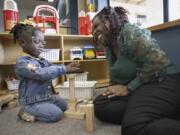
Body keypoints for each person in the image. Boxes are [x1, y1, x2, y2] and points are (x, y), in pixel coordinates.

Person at [92, 6, 180, 135]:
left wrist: (128, 88)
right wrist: (113, 89)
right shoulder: (110, 45)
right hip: (141, 85)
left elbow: (157, 61)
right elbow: (115, 76)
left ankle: (142, 115)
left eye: (96, 26)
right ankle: (154, 111)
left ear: (108, 21)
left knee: (134, 127)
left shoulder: (129, 32)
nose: (94, 31)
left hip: (161, 79)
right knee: (100, 104)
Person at [10, 23, 80, 123]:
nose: (41, 45)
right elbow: (41, 73)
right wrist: (64, 68)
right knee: (56, 114)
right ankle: (25, 111)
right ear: (22, 42)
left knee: (64, 105)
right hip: (32, 102)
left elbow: (52, 68)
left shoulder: (41, 60)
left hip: (46, 97)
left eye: (43, 42)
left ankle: (44, 106)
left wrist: (68, 67)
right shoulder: (23, 63)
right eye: (37, 41)